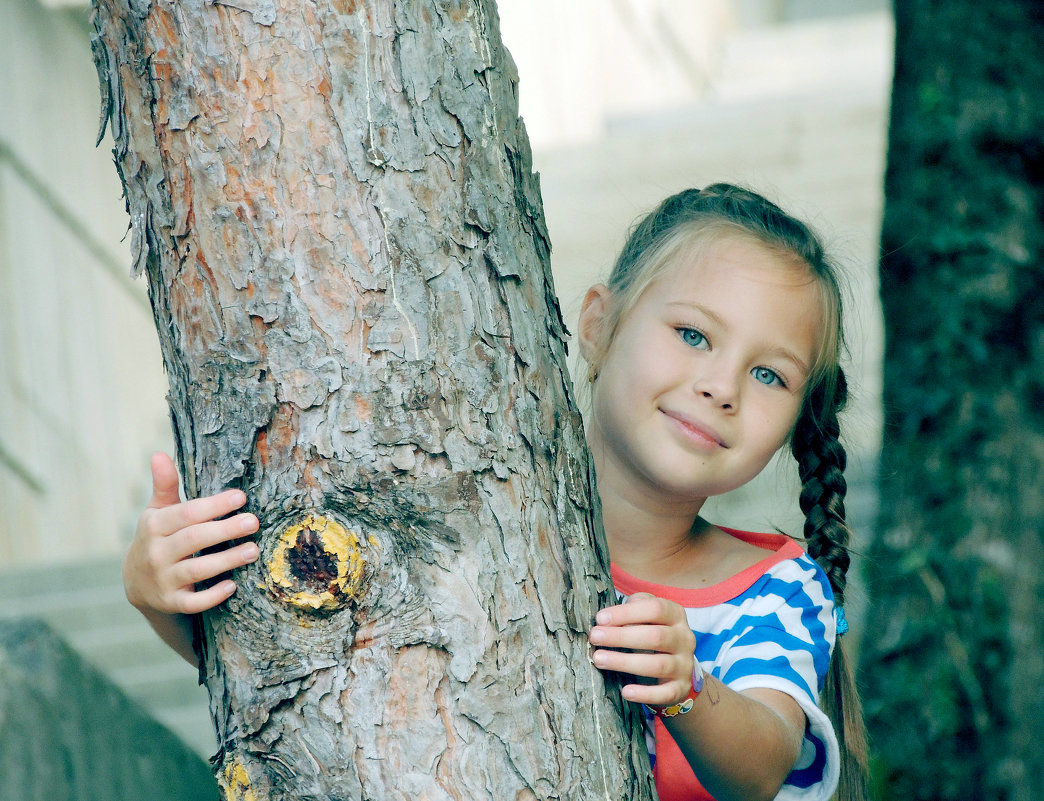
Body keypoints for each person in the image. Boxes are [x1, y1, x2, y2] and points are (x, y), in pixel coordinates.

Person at [124, 184, 868, 801]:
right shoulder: (478, 515)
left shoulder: (775, 589)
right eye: (694, 335)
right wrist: (162, 592)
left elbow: (765, 761)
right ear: (599, 325)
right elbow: (313, 673)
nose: (721, 386)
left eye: (769, 374)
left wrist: (688, 686)